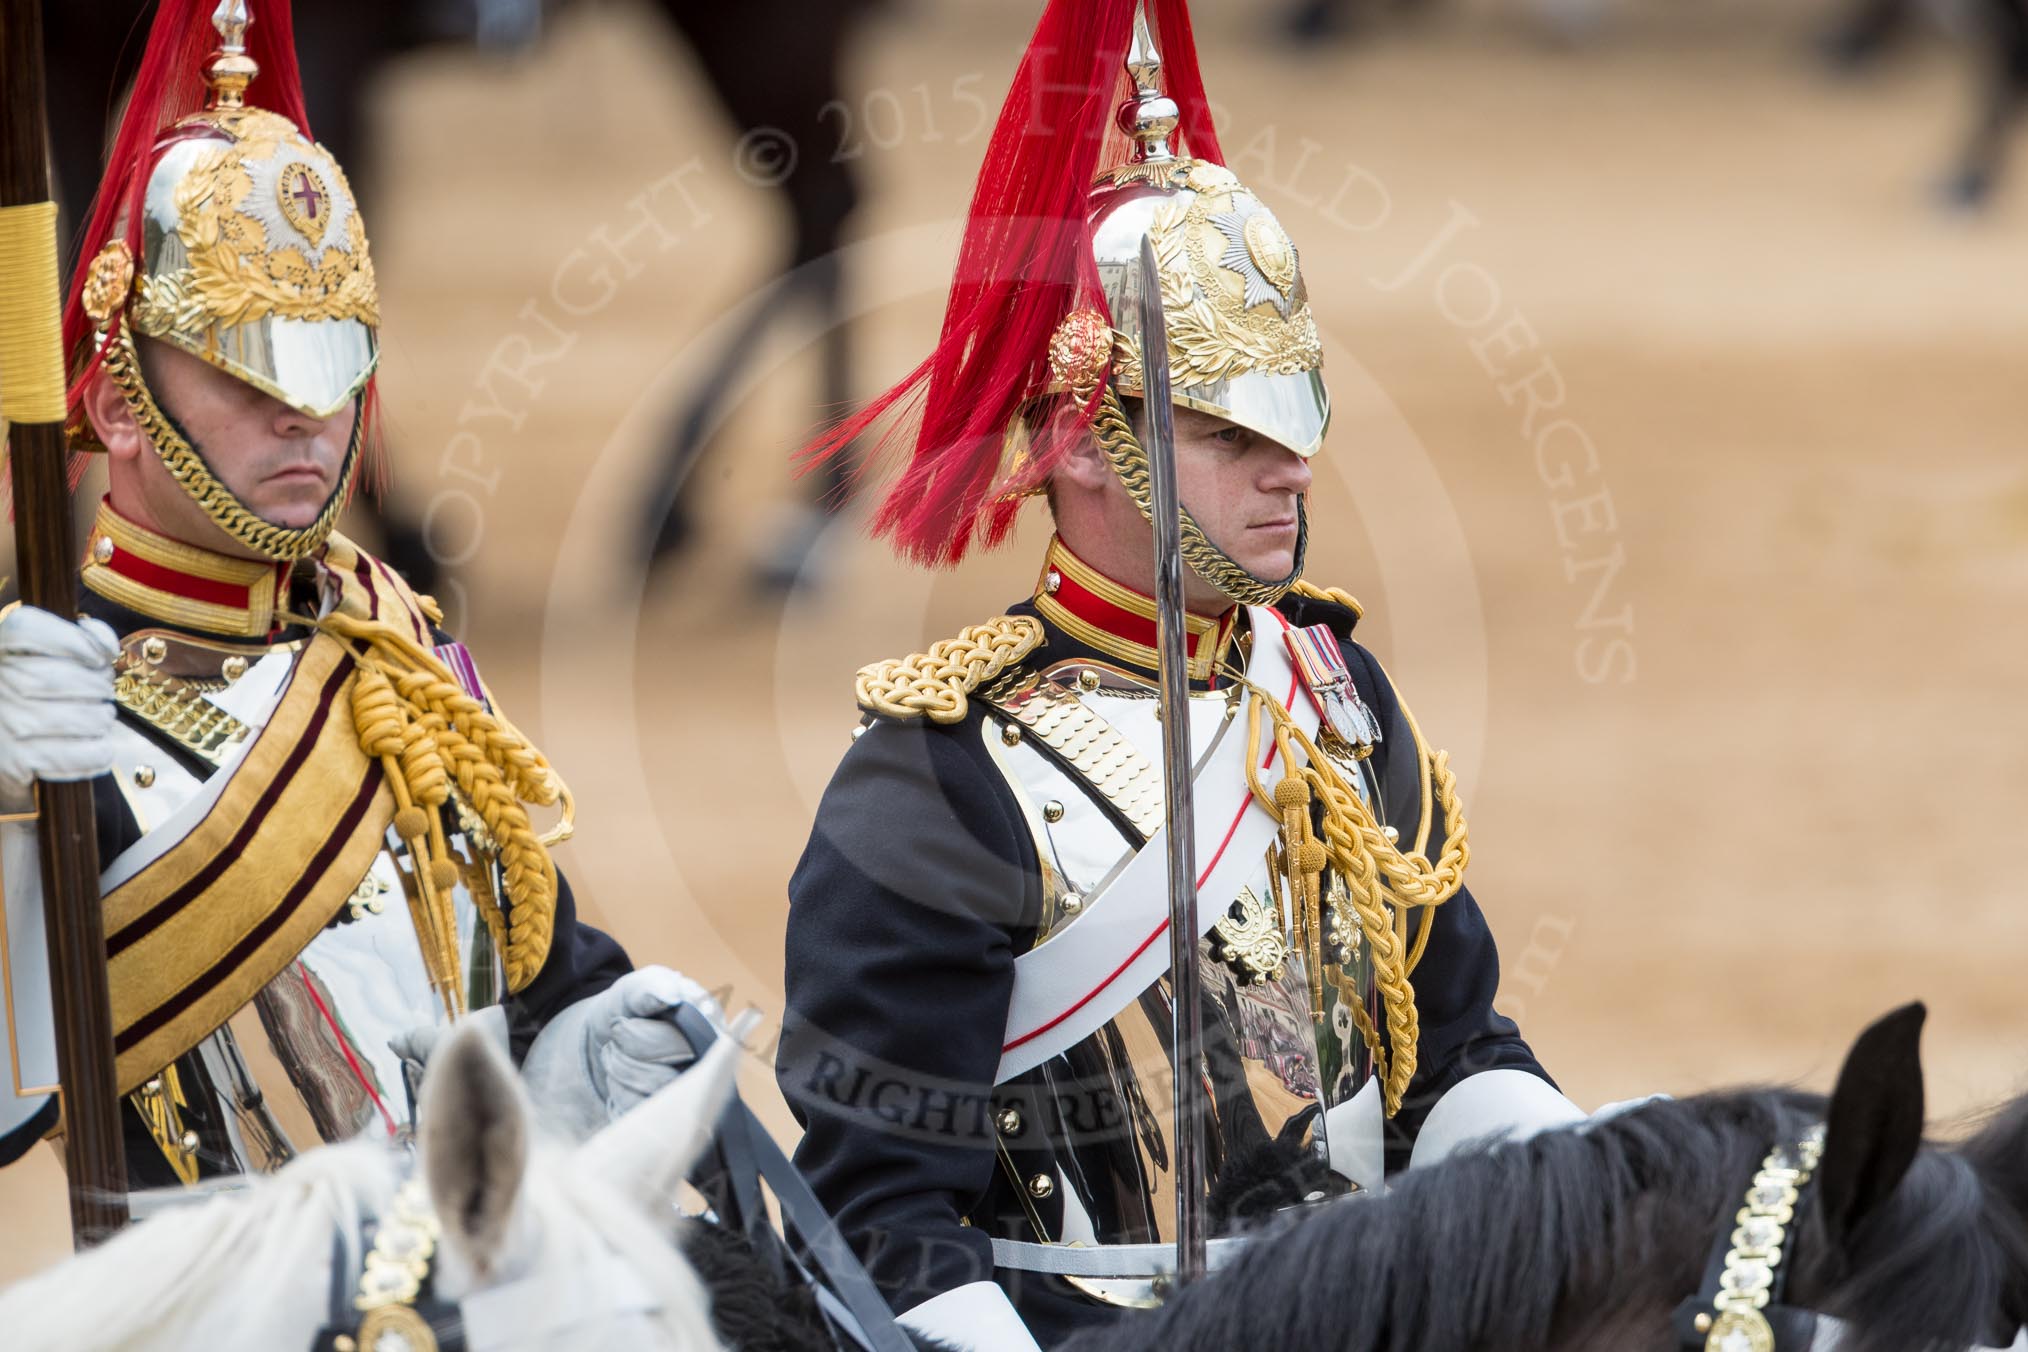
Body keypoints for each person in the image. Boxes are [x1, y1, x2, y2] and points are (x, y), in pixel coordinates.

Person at [776, 3, 1593, 1347]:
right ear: (1083, 440)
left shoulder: (1330, 688)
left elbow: (1452, 1054)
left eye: (1297, 408)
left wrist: (1586, 1175)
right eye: (1229, 427)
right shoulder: (938, 774)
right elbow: (883, 1219)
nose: (1292, 464)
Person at [0, 0, 703, 1190]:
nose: (305, 417)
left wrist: (598, 1045)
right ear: (116, 406)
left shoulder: (389, 635)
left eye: (330, 365)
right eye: (247, 366)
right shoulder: (49, 697)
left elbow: (525, 976)